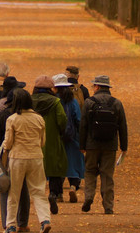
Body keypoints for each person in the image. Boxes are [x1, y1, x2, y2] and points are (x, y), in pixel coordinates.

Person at [2, 88, 52, 233]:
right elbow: (42, 142)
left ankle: (10, 225)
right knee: (38, 192)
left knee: (14, 193)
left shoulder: (12, 119)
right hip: (36, 158)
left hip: (17, 158)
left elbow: (8, 143)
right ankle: (45, 220)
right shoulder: (39, 118)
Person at [78, 74, 128, 215]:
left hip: (92, 144)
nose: (93, 88)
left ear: (98, 86)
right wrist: (124, 146)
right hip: (110, 145)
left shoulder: (89, 102)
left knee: (90, 172)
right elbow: (123, 126)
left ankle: (88, 197)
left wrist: (82, 145)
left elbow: (83, 125)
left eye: (94, 86)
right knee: (107, 175)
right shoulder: (116, 103)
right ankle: (108, 206)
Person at [0, 76, 30, 232]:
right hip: (23, 155)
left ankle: (7, 223)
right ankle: (23, 223)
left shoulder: (0, 112)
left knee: (5, 189)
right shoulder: (27, 116)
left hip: (6, 157)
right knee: (24, 190)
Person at [30, 76, 67, 215]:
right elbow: (62, 119)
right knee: (56, 165)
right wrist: (60, 131)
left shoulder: (30, 101)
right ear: (51, 89)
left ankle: (37, 196)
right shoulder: (56, 102)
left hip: (34, 139)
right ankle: (54, 193)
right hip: (52, 138)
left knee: (36, 168)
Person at [53, 74, 84, 203]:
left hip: (58, 137)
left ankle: (59, 193)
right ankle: (73, 186)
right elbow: (78, 119)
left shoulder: (54, 101)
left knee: (59, 165)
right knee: (74, 164)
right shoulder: (72, 101)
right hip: (72, 137)